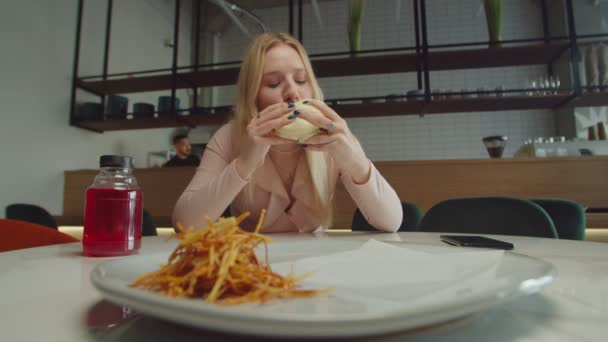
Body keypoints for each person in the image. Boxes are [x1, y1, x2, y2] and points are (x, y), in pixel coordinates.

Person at [173, 32, 402, 233]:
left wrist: (355, 162)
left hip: (317, 264)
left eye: (302, 80)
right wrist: (244, 164)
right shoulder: (230, 137)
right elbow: (184, 224)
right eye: (273, 83)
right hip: (251, 264)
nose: (293, 92)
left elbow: (391, 222)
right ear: (253, 97)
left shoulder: (333, 137)